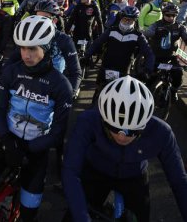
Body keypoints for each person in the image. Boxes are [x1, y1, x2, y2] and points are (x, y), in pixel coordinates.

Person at [0, 15, 73, 222]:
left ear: (46, 48)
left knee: (29, 214)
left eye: (33, 49)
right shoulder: (11, 72)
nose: (26, 55)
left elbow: (58, 132)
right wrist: (7, 140)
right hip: (7, 141)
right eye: (22, 48)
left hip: (36, 150)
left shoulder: (61, 84)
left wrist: (29, 149)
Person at [62, 76, 187, 222]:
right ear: (103, 119)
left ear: (145, 123)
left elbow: (179, 180)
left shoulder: (162, 132)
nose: (122, 137)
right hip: (96, 171)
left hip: (133, 176)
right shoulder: (89, 120)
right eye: (113, 129)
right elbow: (70, 170)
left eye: (132, 132)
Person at [84, 6, 154, 96]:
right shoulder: (111, 30)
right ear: (121, 18)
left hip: (124, 71)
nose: (127, 22)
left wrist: (147, 70)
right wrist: (87, 55)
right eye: (125, 19)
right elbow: (97, 43)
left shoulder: (138, 36)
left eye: (130, 20)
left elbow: (149, 53)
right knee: (98, 94)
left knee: (119, 98)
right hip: (106, 67)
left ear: (134, 21)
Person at [144, 4, 187, 100]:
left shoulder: (180, 27)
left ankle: (173, 91)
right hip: (156, 55)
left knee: (178, 74)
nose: (171, 18)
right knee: (149, 78)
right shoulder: (156, 24)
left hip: (172, 56)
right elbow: (147, 32)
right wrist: (155, 33)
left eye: (173, 15)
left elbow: (185, 36)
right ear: (163, 14)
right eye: (168, 15)